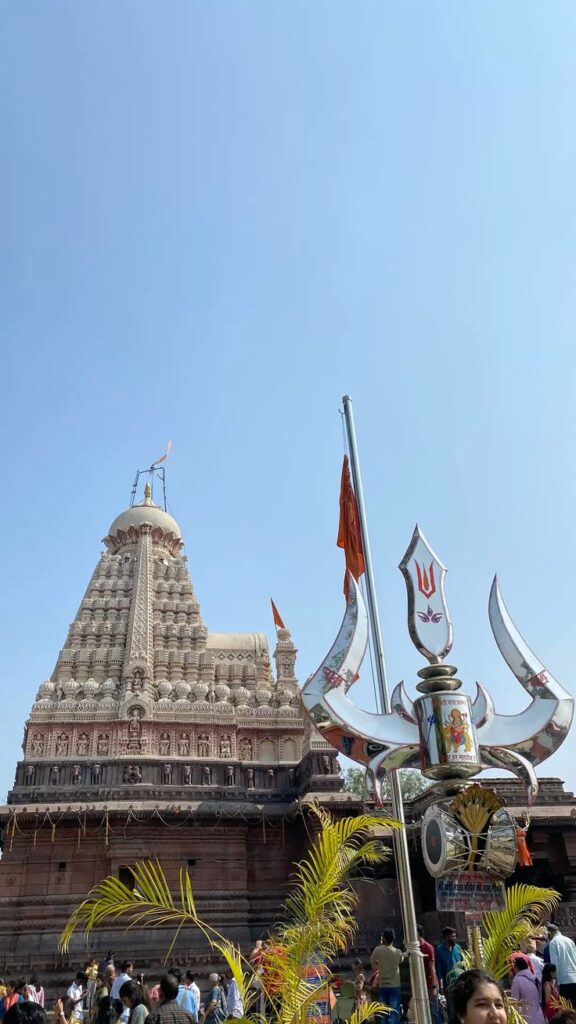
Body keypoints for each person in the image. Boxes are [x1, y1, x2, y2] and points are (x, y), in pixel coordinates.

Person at [370, 929, 405, 1024]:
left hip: (383, 985)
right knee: (394, 1011)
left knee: (383, 1012)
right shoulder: (397, 952)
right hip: (395, 986)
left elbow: (373, 964)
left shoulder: (378, 950)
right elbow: (402, 959)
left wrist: (381, 967)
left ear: (383, 939)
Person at [417, 925, 442, 1024]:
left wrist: (434, 986)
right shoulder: (415, 947)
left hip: (429, 983)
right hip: (420, 983)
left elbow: (432, 967)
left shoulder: (428, 947)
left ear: (418, 933)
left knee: (434, 1011)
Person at [544, 925, 576, 1003]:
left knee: (565, 1010)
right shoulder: (569, 940)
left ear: (549, 933)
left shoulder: (553, 943)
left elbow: (554, 964)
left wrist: (555, 982)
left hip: (563, 980)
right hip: (574, 977)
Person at [510, 955, 545, 1024]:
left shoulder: (517, 980)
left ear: (516, 968)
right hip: (540, 1017)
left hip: (526, 1018)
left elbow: (514, 1002)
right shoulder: (535, 979)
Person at [436, 928, 464, 994]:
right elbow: (439, 971)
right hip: (448, 986)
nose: (455, 938)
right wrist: (441, 986)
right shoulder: (439, 950)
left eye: (455, 936)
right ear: (447, 937)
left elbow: (463, 965)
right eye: (453, 936)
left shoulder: (458, 948)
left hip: (459, 984)